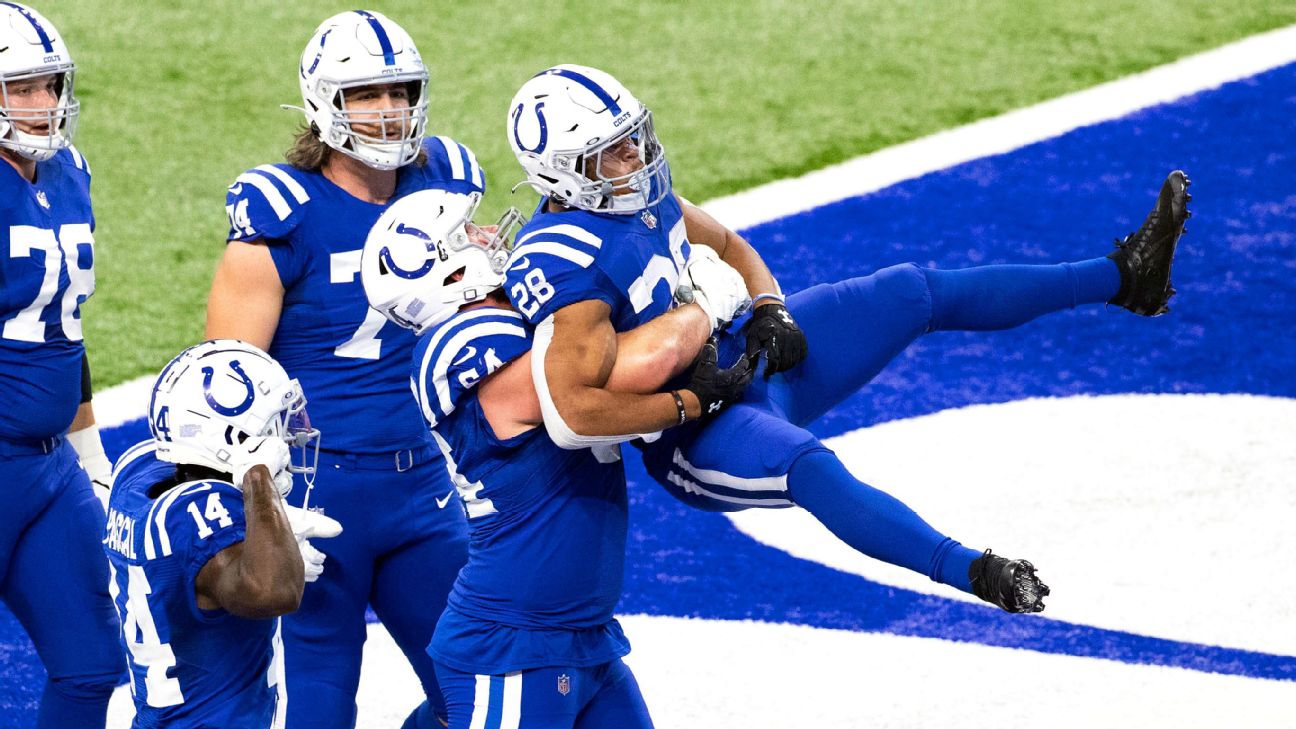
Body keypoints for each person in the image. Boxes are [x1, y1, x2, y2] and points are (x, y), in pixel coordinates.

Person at [505, 65, 1192, 612]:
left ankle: (1125, 277)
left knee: (911, 289)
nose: (636, 155)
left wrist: (771, 305)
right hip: (693, 432)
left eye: (634, 136)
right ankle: (976, 571)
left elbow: (726, 241)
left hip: (741, 351)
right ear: (564, 173)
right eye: (611, 152)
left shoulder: (637, 190)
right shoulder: (561, 261)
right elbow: (573, 413)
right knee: (812, 467)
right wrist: (686, 404)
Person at [360, 189, 754, 729]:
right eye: (467, 233)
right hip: (513, 644)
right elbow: (626, 372)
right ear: (444, 271)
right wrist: (702, 310)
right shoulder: (461, 338)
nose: (486, 235)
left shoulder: (510, 323)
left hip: (581, 634)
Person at [204, 11, 478, 728]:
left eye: (399, 91)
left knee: (478, 692)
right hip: (320, 496)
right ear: (325, 102)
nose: (388, 111)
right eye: (366, 94)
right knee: (322, 707)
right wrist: (263, 509)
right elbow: (224, 390)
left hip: (423, 481)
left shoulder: (445, 184)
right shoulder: (284, 212)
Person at [105, 339, 342, 728]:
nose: (287, 436)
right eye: (275, 424)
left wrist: (270, 529)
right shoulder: (201, 514)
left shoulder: (138, 473)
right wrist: (257, 478)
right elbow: (272, 591)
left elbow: (189, 555)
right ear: (235, 438)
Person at [0, 4, 124, 726]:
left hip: (49, 469)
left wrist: (87, 443)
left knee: (91, 664)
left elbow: (64, 328)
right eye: (23, 87)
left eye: (50, 84)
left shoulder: (69, 170)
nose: (44, 103)